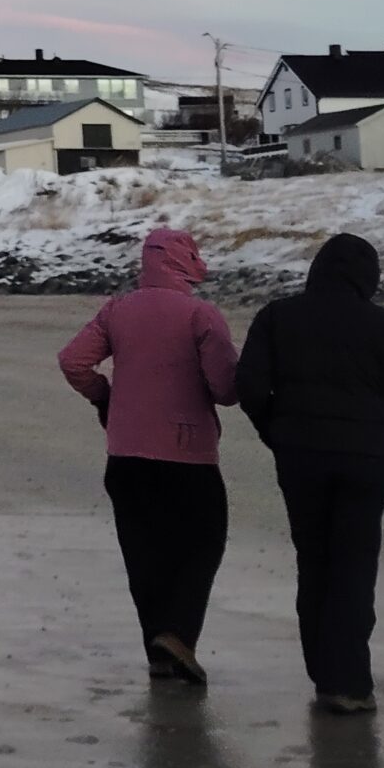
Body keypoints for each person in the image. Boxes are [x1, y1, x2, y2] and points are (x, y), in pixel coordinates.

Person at [235, 232, 384, 714]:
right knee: (354, 570)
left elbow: (250, 387)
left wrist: (276, 433)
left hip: (300, 460)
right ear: (369, 278)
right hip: (365, 461)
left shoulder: (276, 317)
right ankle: (350, 683)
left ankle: (324, 676)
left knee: (315, 564)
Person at [59, 226, 239, 684]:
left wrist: (105, 397)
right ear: (186, 262)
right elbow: (225, 389)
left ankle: (160, 654)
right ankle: (177, 634)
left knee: (144, 554)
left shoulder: (117, 310)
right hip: (188, 456)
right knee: (202, 543)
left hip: (126, 455)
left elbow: (73, 361)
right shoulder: (201, 315)